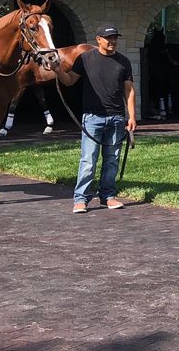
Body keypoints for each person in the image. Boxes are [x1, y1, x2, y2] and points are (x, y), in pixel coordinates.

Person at [51, 25, 137, 213]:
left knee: (112, 160)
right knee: (88, 160)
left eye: (115, 38)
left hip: (116, 118)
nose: (112, 41)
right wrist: (57, 70)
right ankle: (81, 199)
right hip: (92, 118)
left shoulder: (123, 62)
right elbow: (70, 80)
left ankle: (108, 196)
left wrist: (132, 116)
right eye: (108, 38)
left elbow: (129, 90)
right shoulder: (85, 59)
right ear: (98, 39)